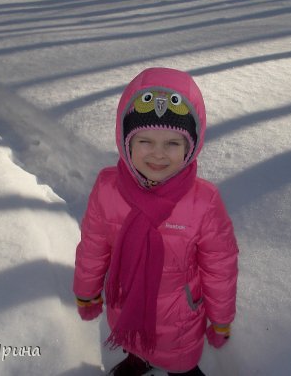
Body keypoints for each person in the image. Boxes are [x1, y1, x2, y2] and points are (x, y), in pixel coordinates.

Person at [73, 67, 239, 376]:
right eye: (145, 141)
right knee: (134, 340)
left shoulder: (203, 201)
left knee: (180, 360)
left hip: (179, 317)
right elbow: (93, 245)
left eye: (173, 144)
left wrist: (221, 318)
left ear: (191, 148)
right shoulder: (109, 189)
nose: (158, 155)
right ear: (126, 142)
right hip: (125, 302)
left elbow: (220, 265)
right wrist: (87, 290)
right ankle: (137, 358)